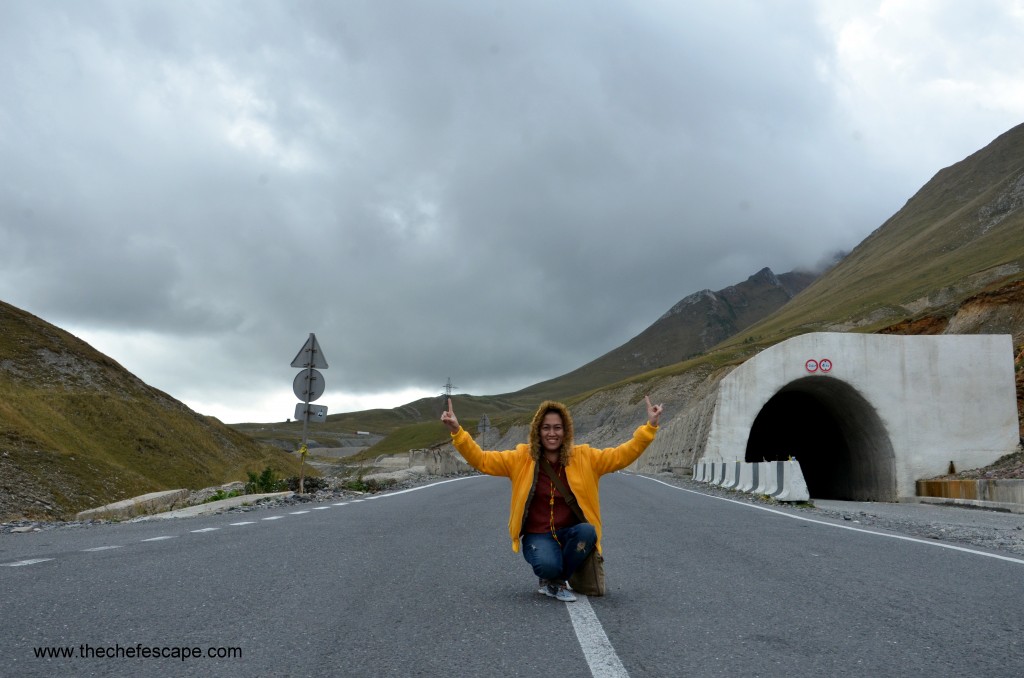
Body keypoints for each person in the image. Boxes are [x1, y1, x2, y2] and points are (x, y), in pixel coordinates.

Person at [441, 395, 663, 602]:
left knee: (588, 531)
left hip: (570, 534)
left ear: (565, 431)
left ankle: (556, 579)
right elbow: (482, 460)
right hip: (538, 536)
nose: (552, 433)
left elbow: (620, 456)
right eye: (546, 428)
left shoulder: (585, 456)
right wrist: (457, 432)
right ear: (538, 431)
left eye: (557, 428)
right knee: (547, 565)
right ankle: (552, 575)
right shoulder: (521, 457)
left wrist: (649, 427)